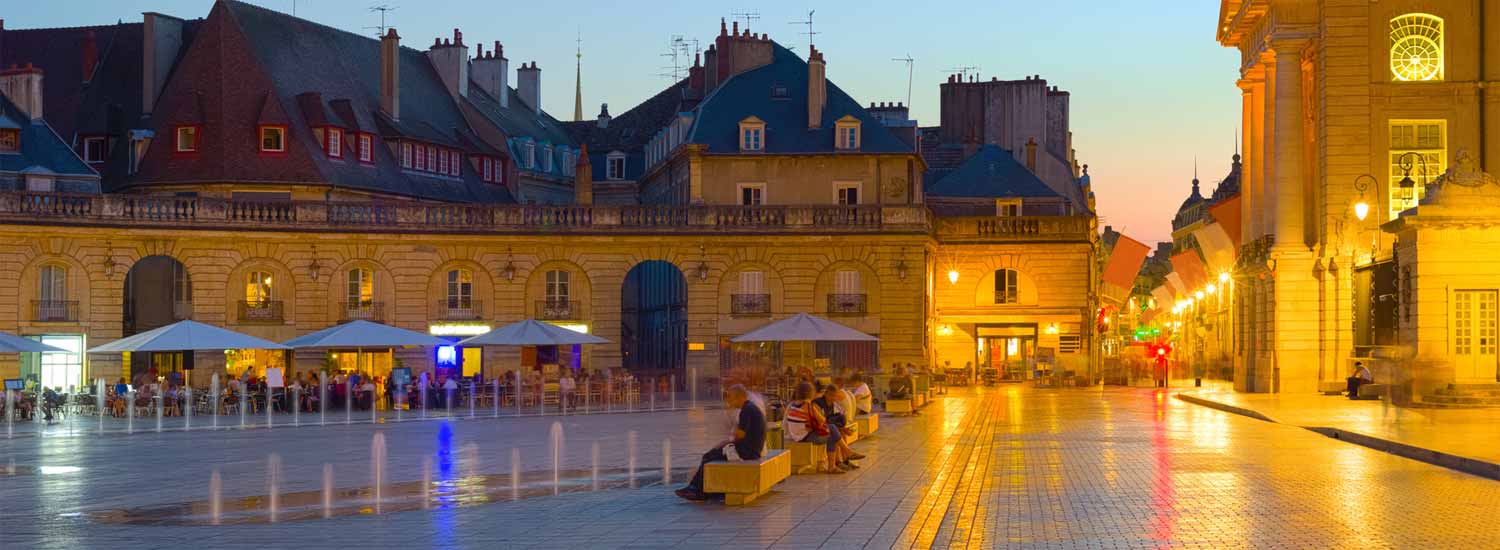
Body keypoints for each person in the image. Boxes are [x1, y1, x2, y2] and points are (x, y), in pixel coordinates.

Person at [676, 385, 767, 501]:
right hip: (751, 449)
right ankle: (699, 489)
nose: (728, 401)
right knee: (712, 455)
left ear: (739, 397)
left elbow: (740, 435)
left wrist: (726, 442)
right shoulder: (751, 407)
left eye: (730, 397)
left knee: (709, 457)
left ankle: (696, 490)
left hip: (746, 452)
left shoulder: (746, 410)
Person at [780, 382, 848, 474]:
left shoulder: (793, 405)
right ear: (811, 393)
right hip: (802, 437)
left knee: (831, 431)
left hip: (796, 434)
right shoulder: (808, 406)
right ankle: (839, 459)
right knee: (831, 432)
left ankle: (841, 457)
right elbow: (822, 420)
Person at [813, 382, 865, 467]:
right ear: (825, 394)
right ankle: (845, 455)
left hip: (826, 427)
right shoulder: (817, 403)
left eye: (834, 396)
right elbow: (820, 421)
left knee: (840, 432)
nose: (833, 398)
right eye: (831, 395)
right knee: (834, 433)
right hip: (816, 428)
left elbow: (831, 420)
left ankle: (845, 460)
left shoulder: (832, 404)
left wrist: (842, 428)